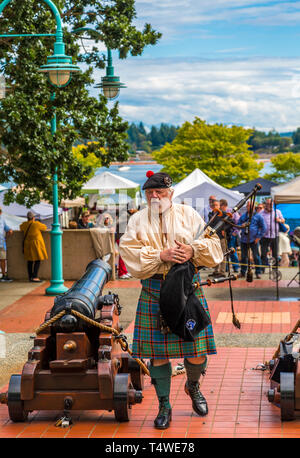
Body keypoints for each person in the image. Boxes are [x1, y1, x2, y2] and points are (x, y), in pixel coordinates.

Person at [119, 171, 223, 430]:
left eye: (160, 192)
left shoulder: (189, 216)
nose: (155, 197)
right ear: (145, 195)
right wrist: (161, 255)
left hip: (188, 288)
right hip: (155, 290)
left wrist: (192, 250)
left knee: (197, 351)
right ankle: (164, 404)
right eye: (150, 193)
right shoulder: (137, 220)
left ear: (171, 194)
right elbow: (128, 251)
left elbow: (214, 248)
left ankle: (193, 386)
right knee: (159, 356)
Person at [237, 201, 267, 279]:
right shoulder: (243, 216)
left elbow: (264, 228)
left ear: (254, 207)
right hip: (244, 239)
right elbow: (238, 225)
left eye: (251, 206)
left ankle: (258, 272)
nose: (249, 207)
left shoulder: (258, 216)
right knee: (244, 257)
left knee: (256, 257)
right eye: (248, 206)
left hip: (254, 240)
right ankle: (243, 272)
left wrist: (258, 237)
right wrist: (241, 226)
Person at [20, 211, 48, 282]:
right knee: (38, 260)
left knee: (30, 261)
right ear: (33, 218)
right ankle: (35, 276)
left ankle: (30, 277)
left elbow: (20, 228)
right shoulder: (36, 224)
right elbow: (45, 227)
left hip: (27, 245)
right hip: (36, 245)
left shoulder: (24, 224)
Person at [260, 199, 285, 273]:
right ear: (265, 204)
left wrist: (279, 220)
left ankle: (274, 269)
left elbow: (283, 220)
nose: (269, 205)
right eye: (268, 204)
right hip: (264, 236)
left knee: (275, 253)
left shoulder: (277, 212)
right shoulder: (261, 213)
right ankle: (262, 269)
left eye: (271, 204)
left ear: (273, 204)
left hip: (275, 235)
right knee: (263, 253)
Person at [207, 200, 230, 278]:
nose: (215, 207)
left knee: (223, 254)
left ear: (219, 206)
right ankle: (216, 270)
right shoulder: (211, 214)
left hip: (222, 237)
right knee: (215, 254)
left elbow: (231, 223)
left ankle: (222, 271)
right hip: (214, 237)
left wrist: (224, 229)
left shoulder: (224, 214)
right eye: (214, 206)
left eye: (217, 205)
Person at [220, 199, 240, 273]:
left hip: (231, 234)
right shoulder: (221, 212)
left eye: (220, 205)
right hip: (224, 235)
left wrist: (235, 232)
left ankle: (236, 267)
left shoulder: (232, 212)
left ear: (224, 205)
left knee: (232, 251)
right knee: (225, 252)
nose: (219, 207)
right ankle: (226, 268)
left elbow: (238, 222)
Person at [0, 206, 13, 282]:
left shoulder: (2, 219)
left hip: (1, 243)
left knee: (2, 259)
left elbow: (6, 228)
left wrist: (10, 230)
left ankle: (4, 275)